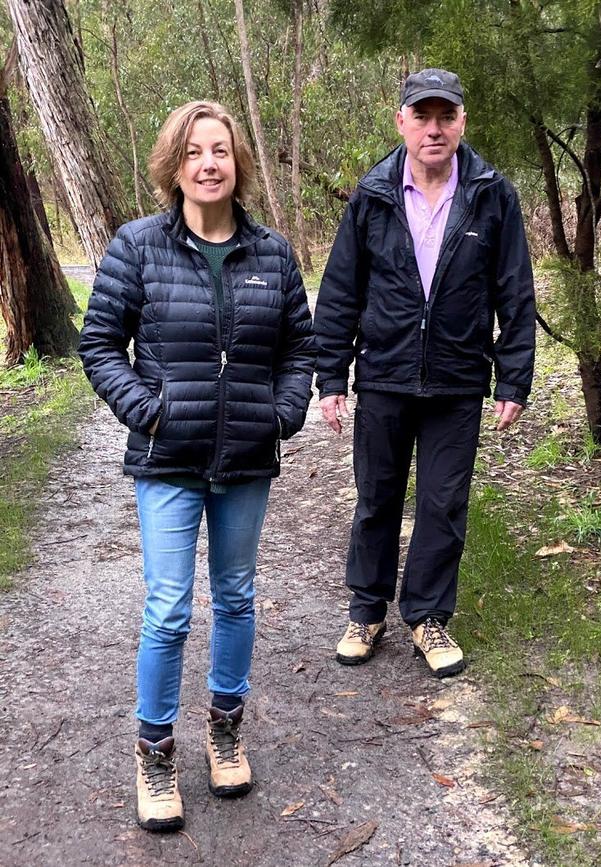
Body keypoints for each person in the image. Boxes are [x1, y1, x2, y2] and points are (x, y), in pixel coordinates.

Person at [78, 101, 315, 832]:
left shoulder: (272, 253)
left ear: (237, 163)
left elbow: (300, 348)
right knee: (169, 606)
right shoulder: (137, 246)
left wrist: (282, 413)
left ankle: (225, 727)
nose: (209, 163)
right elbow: (98, 344)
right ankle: (154, 750)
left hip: (246, 458)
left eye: (220, 150)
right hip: (167, 459)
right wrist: (148, 411)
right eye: (194, 151)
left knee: (238, 595)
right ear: (173, 165)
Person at [314, 68, 535, 679]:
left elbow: (515, 292)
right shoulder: (372, 195)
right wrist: (331, 377)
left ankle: (428, 616)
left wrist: (513, 378)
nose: (434, 128)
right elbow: (339, 292)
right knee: (375, 500)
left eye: (446, 116)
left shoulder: (492, 195)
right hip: (384, 375)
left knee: (443, 504)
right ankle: (366, 610)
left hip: (457, 380)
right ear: (402, 121)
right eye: (422, 115)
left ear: (462, 122)